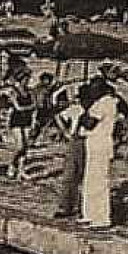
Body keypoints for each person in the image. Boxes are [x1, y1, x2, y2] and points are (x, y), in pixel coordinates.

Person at [80, 77, 119, 228]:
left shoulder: (105, 102)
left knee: (100, 181)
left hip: (100, 143)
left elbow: (88, 123)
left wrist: (85, 112)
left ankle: (101, 217)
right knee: (90, 180)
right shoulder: (102, 102)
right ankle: (89, 214)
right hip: (95, 143)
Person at [51, 86, 90, 220]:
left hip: (90, 141)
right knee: (70, 174)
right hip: (75, 140)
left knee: (85, 176)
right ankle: (66, 206)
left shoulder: (96, 110)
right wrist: (65, 132)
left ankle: (82, 207)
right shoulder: (75, 109)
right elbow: (58, 116)